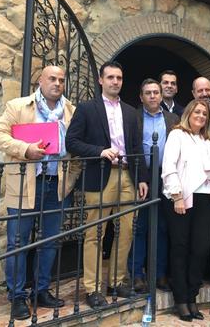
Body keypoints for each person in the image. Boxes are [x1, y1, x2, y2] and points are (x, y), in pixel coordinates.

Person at [0, 66, 78, 320]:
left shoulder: (71, 110)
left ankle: (40, 291)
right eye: (52, 78)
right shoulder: (18, 106)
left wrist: (70, 181)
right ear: (40, 80)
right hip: (25, 183)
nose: (57, 83)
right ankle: (17, 296)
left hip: (57, 184)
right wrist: (25, 149)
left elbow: (76, 151)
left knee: (50, 241)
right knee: (18, 241)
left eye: (61, 80)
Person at [65, 61, 148, 309]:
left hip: (127, 177)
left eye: (119, 78)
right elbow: (72, 142)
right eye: (110, 77)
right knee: (94, 234)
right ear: (101, 80)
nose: (115, 81)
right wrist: (99, 151)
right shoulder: (87, 109)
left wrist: (142, 177)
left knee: (126, 232)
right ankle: (92, 288)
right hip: (99, 176)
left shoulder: (131, 112)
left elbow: (136, 148)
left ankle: (116, 281)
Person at [161, 99, 210, 322]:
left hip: (204, 198)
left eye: (204, 114)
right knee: (180, 247)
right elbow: (169, 166)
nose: (201, 116)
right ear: (188, 113)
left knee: (201, 248)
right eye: (197, 112)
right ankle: (181, 300)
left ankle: (192, 295)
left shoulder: (207, 139)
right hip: (181, 197)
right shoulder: (177, 134)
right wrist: (177, 195)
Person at [128, 78, 179, 292]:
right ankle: (137, 274)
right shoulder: (133, 118)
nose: (152, 96)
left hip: (166, 176)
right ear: (141, 97)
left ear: (161, 95)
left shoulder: (173, 118)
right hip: (142, 177)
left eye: (156, 92)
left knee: (162, 227)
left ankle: (159, 274)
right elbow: (131, 149)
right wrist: (141, 177)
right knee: (140, 227)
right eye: (147, 93)